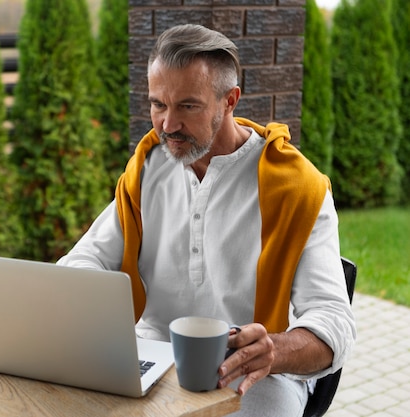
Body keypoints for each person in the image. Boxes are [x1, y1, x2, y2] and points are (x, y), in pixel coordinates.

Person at [57, 24, 355, 416]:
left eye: (187, 106)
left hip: (253, 375)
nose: (167, 125)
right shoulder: (147, 170)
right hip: (150, 356)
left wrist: (274, 351)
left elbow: (334, 322)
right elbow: (80, 263)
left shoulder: (298, 189)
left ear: (230, 100)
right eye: (158, 105)